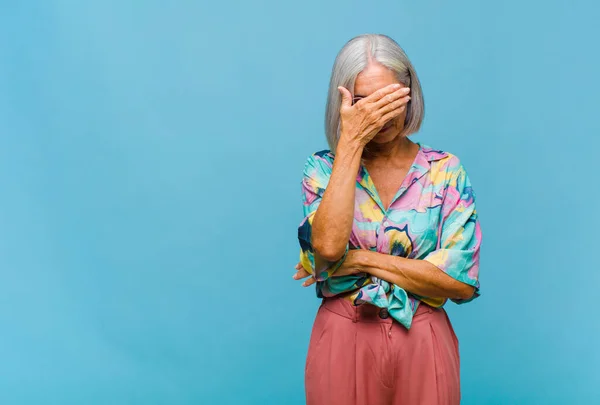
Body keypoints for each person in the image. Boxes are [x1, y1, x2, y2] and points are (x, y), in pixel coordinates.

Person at [293, 34, 482, 405]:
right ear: (344, 102)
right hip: (344, 333)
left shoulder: (445, 171)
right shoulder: (321, 169)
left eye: (390, 97)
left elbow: (458, 283)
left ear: (410, 92)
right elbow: (329, 247)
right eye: (366, 102)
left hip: (423, 337)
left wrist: (360, 259)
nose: (381, 114)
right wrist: (350, 143)